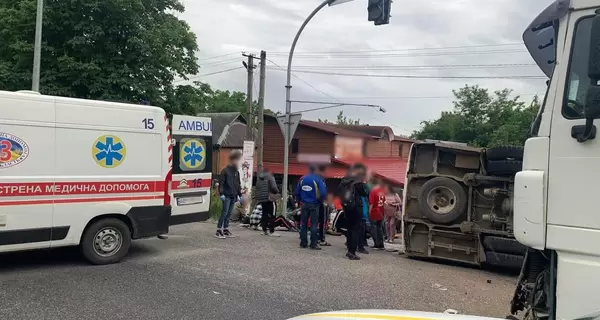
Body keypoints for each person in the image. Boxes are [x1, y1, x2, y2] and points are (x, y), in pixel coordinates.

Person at [338, 163, 369, 260]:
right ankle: (352, 251)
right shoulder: (357, 181)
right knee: (356, 229)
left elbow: (339, 192)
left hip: (347, 207)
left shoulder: (344, 180)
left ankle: (349, 250)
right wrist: (364, 183)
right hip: (356, 207)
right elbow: (364, 193)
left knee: (350, 228)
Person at [295, 165, 327, 250]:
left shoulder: (302, 179)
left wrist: (299, 200)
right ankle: (313, 244)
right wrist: (319, 201)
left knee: (303, 223)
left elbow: (297, 191)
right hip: (314, 204)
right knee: (314, 224)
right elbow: (323, 193)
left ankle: (303, 243)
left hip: (304, 204)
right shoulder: (317, 179)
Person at [216, 151, 242, 239]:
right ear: (232, 160)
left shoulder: (236, 172)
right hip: (226, 195)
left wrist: (240, 194)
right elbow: (221, 183)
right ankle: (219, 230)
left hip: (233, 195)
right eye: (236, 160)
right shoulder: (225, 171)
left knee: (229, 213)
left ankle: (226, 229)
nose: (237, 162)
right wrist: (221, 193)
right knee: (224, 212)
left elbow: (238, 184)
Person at [254, 167, 280, 237]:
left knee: (264, 214)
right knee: (272, 214)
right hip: (270, 198)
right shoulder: (270, 177)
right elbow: (274, 187)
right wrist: (277, 191)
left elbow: (257, 188)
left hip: (262, 199)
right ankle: (272, 231)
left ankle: (264, 230)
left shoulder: (259, 178)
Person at [369, 179, 386, 250]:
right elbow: (384, 202)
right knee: (380, 228)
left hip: (374, 212)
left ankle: (376, 244)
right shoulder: (382, 191)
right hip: (380, 212)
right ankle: (381, 244)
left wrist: (369, 212)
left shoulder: (373, 192)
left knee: (373, 228)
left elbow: (371, 203)